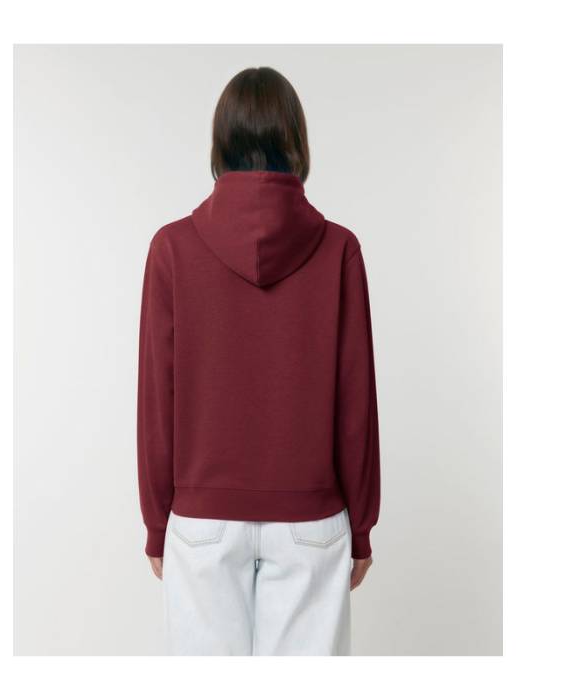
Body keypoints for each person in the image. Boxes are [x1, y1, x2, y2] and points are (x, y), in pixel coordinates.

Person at [137, 66, 380, 655]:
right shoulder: (338, 249)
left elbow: (157, 401)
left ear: (220, 142)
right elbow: (356, 404)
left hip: (202, 522)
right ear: (296, 142)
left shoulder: (172, 248)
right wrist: (360, 528)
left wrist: (158, 522)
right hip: (310, 522)